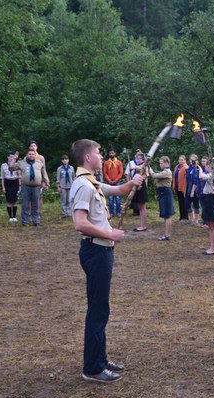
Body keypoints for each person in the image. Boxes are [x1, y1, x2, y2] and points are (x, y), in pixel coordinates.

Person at [69, 138, 144, 383]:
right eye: (99, 153)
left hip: (101, 250)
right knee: (98, 310)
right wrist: (110, 234)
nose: (102, 156)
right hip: (96, 251)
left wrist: (134, 181)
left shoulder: (91, 182)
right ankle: (93, 368)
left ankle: (100, 359)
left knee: (101, 308)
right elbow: (80, 223)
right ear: (88, 157)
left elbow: (119, 190)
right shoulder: (84, 185)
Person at [9, 149, 50, 226]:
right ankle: (25, 222)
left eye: (33, 154)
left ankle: (36, 221)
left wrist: (46, 182)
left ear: (35, 155)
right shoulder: (22, 163)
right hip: (25, 187)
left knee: (36, 205)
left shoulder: (39, 163)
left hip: (36, 187)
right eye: (30, 154)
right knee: (25, 204)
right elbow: (11, 168)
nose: (31, 155)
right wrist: (14, 159)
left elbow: (44, 173)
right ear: (27, 155)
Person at [198, 156, 214, 255]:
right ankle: (212, 246)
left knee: (213, 225)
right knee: (210, 225)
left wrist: (199, 169)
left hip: (211, 199)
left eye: (207, 165)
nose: (205, 166)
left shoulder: (212, 174)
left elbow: (201, 177)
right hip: (208, 199)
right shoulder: (211, 174)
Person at [150, 156, 175, 240]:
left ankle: (167, 235)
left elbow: (154, 175)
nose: (160, 165)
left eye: (161, 163)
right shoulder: (164, 172)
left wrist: (148, 167)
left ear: (166, 163)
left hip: (166, 194)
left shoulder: (167, 172)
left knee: (167, 215)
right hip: (162, 193)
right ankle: (167, 234)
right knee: (166, 216)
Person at [125, 150, 148, 231]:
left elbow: (140, 169)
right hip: (138, 186)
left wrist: (133, 167)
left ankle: (143, 226)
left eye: (139, 158)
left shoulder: (143, 166)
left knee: (142, 207)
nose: (138, 160)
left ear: (143, 159)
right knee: (140, 207)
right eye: (137, 158)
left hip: (141, 187)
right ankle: (142, 225)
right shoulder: (139, 165)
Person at [28, 140, 50, 215]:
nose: (33, 147)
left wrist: (45, 181)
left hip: (39, 179)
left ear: (37, 147)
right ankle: (30, 212)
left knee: (39, 196)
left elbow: (44, 170)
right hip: (29, 180)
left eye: (34, 146)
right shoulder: (26, 157)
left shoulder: (41, 157)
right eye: (31, 146)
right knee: (29, 197)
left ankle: (38, 211)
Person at [103, 148, 124, 218]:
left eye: (113, 153)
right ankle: (111, 213)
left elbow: (121, 172)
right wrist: (109, 180)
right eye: (110, 153)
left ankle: (118, 212)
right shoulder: (106, 163)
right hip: (109, 182)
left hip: (117, 182)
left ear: (115, 153)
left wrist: (116, 180)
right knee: (111, 198)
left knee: (118, 198)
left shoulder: (119, 162)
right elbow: (105, 173)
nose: (111, 154)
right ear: (109, 154)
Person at [0, 151, 21, 222]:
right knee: (9, 200)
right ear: (7, 157)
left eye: (13, 157)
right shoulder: (3, 165)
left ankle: (14, 216)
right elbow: (2, 177)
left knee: (15, 200)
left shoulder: (16, 165)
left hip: (15, 182)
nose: (12, 158)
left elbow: (19, 176)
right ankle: (10, 217)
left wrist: (20, 186)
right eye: (10, 157)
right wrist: (3, 187)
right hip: (7, 182)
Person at [185, 154, 200, 226]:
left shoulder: (196, 168)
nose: (191, 161)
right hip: (188, 187)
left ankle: (196, 220)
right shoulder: (189, 168)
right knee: (187, 204)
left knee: (196, 204)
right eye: (191, 159)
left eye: (193, 160)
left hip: (195, 188)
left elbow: (195, 180)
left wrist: (192, 191)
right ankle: (192, 219)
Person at [172, 154, 189, 222]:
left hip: (183, 188)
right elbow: (174, 176)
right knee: (180, 202)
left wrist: (185, 188)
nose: (180, 161)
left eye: (182, 160)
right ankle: (181, 217)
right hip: (177, 187)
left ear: (185, 160)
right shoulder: (177, 167)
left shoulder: (186, 167)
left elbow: (186, 179)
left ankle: (185, 217)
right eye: (179, 160)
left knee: (184, 202)